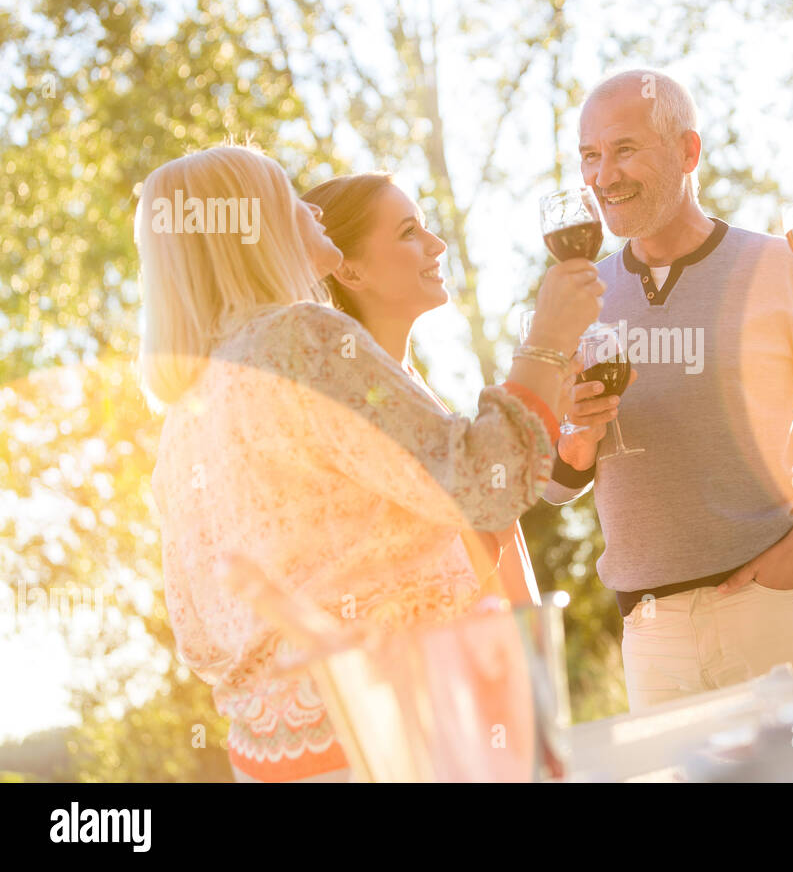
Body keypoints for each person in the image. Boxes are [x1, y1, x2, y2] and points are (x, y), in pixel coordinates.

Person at [136, 144, 602, 780]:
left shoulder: (181, 424)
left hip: (272, 754)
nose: (310, 208)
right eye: (287, 195)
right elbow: (480, 484)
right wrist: (548, 340)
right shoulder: (302, 337)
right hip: (390, 733)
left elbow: (198, 635)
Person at [545, 70, 793, 711]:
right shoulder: (576, 298)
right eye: (590, 157)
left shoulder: (781, 269)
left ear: (687, 152)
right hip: (651, 638)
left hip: (774, 612)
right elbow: (551, 481)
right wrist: (575, 433)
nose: (602, 176)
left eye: (624, 149)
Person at [302, 171, 541, 608]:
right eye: (409, 231)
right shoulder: (358, 408)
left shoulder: (410, 388)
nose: (437, 244)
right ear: (350, 270)